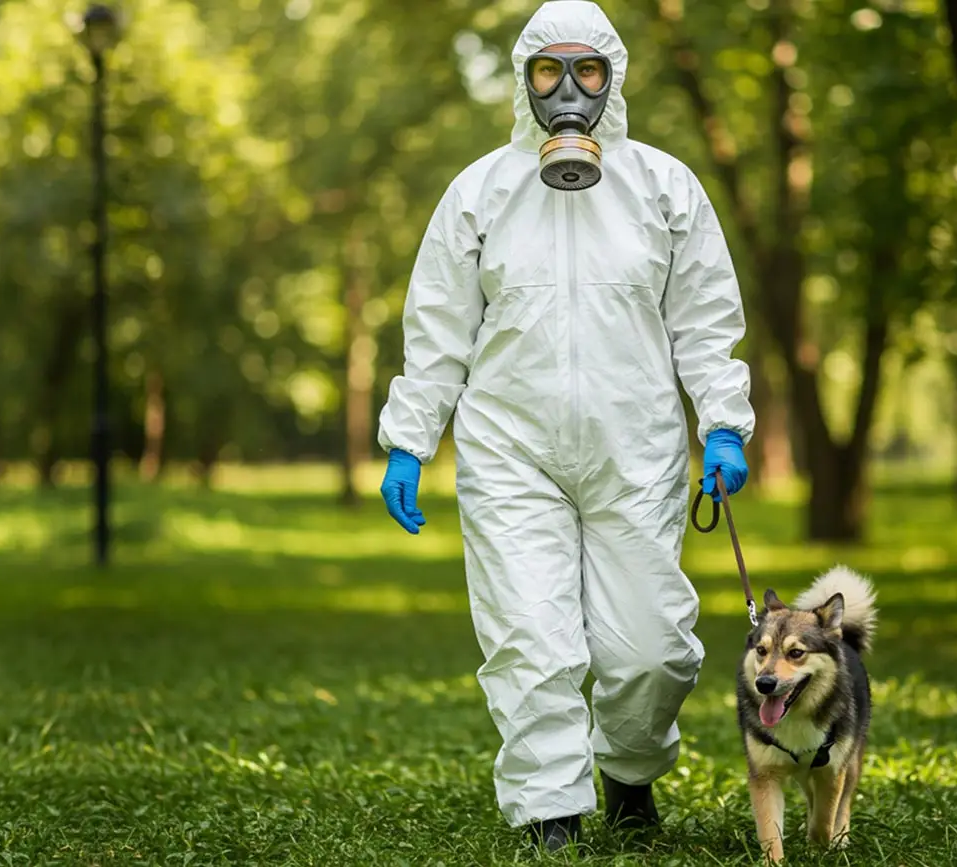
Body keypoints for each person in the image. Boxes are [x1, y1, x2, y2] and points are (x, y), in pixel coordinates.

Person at [376, 0, 754, 853]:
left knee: (653, 648)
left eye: (589, 71)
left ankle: (627, 769)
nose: (570, 91)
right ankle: (553, 810)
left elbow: (705, 320)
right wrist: (410, 438)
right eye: (552, 72)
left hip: (638, 450)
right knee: (531, 638)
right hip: (512, 451)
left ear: (613, 79)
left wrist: (723, 423)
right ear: (526, 80)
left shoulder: (665, 187)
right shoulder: (479, 191)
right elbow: (436, 330)